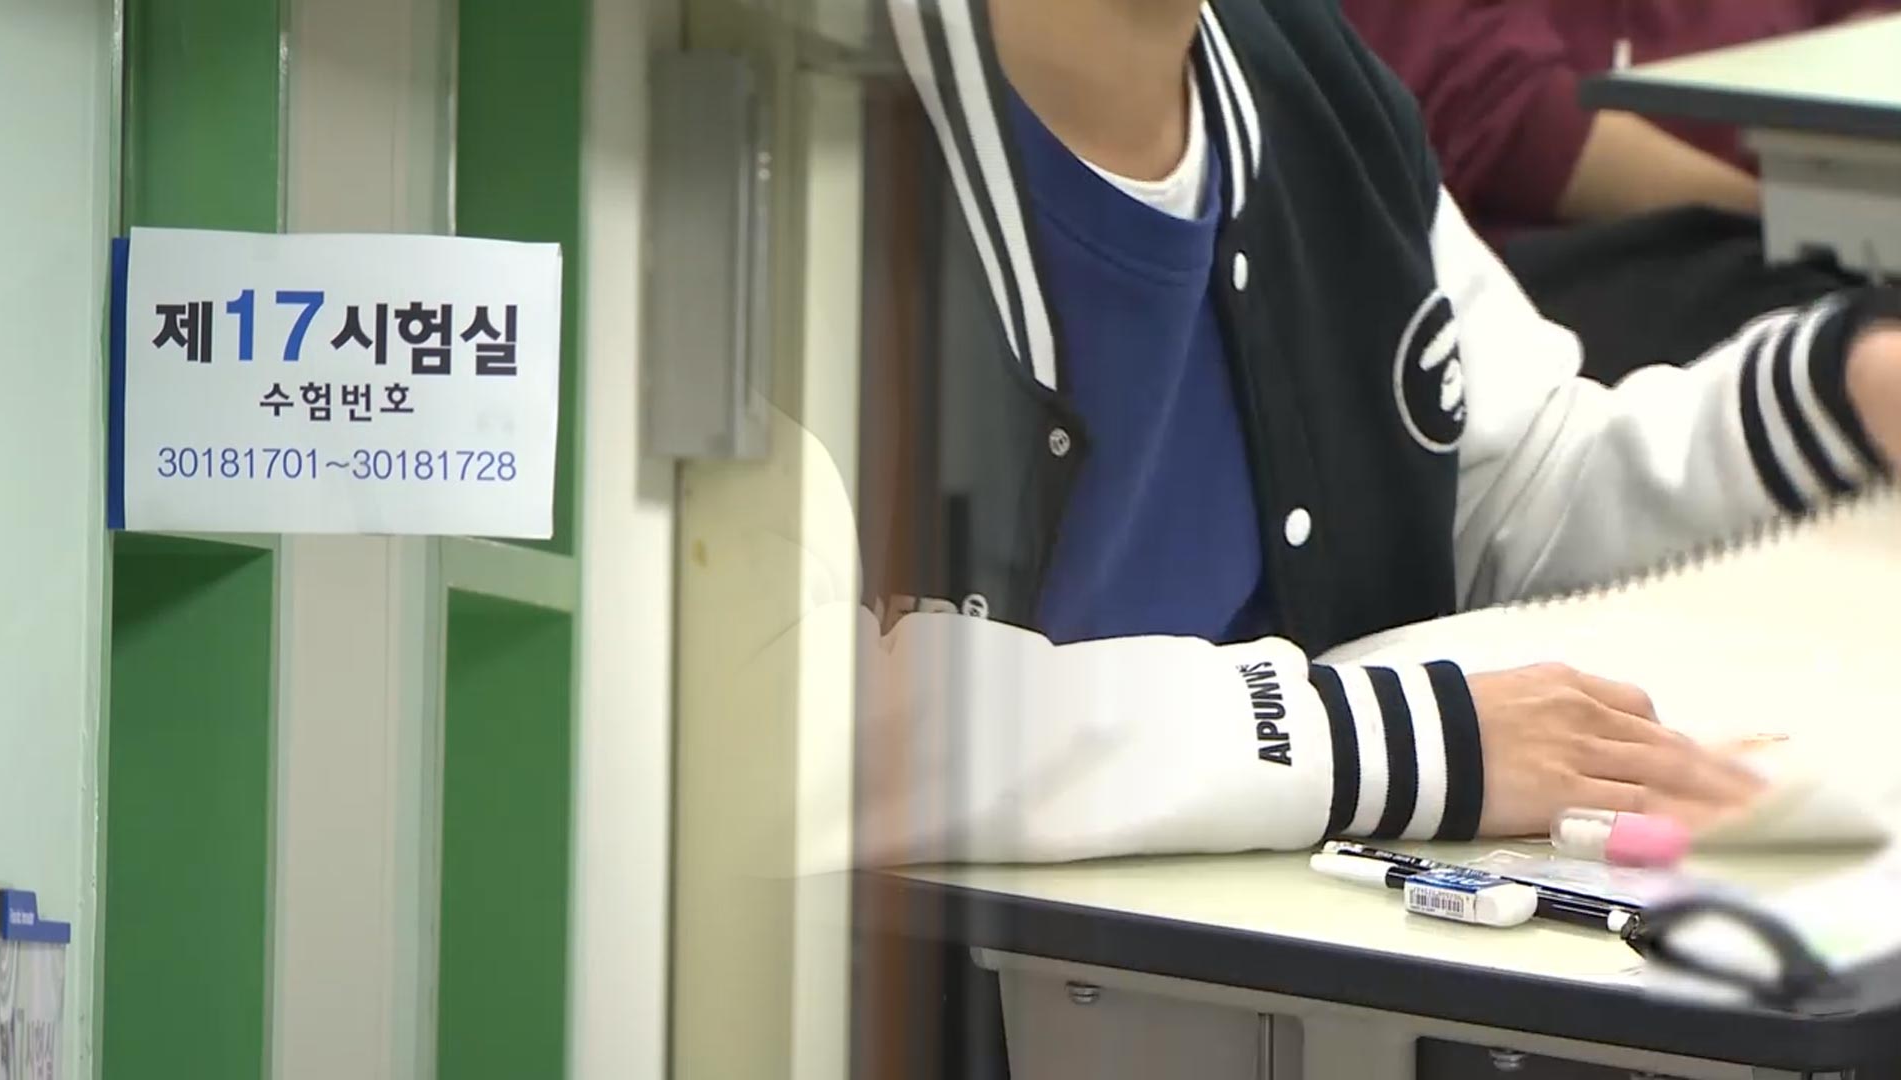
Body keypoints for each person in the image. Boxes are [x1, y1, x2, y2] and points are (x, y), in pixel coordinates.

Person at [802, 0, 1901, 873]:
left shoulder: (1303, 75)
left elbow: (1518, 487)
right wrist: (1392, 741)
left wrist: (1840, 395)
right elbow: (773, 712)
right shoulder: (782, 126)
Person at [1342, 0, 1897, 382]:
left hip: (1808, 219)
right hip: (1543, 265)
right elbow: (1500, 112)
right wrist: (1811, 218)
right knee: (1855, 337)